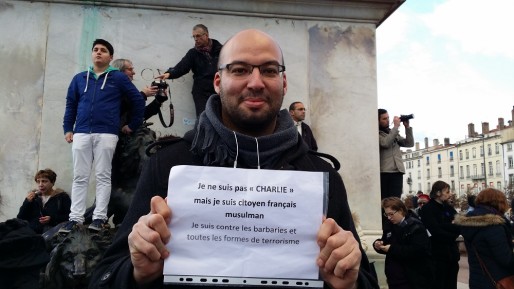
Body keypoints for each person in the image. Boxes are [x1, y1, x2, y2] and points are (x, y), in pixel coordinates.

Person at [90, 29, 378, 289]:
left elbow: (364, 280)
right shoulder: (167, 165)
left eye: (269, 70)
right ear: (217, 81)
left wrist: (351, 281)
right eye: (239, 70)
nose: (255, 83)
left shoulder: (322, 176)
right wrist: (136, 271)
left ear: (284, 81)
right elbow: (104, 276)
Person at [62, 39, 145, 232]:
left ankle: (99, 218)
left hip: (106, 133)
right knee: (80, 177)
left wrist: (131, 125)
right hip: (81, 132)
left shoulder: (118, 78)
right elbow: (70, 104)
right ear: (92, 54)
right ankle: (75, 218)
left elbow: (137, 101)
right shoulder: (79, 78)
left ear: (110, 57)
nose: (98, 53)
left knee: (103, 175)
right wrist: (68, 128)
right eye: (96, 50)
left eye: (103, 50)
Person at [157, 24, 223, 117]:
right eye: (194, 36)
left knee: (222, 118)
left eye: (198, 36)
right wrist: (169, 74)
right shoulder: (193, 53)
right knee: (203, 118)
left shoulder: (221, 50)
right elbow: (182, 67)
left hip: (220, 90)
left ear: (206, 35)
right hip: (202, 92)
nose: (196, 39)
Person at [454, 188, 514, 289]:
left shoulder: (471, 222)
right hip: (497, 281)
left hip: (478, 279)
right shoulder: (493, 225)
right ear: (498, 202)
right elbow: (506, 259)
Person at [373, 197, 434, 289]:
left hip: (411, 278)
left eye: (391, 214)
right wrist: (377, 245)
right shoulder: (389, 225)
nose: (389, 217)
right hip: (393, 276)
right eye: (386, 214)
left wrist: (392, 249)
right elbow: (386, 243)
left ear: (401, 210)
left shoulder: (416, 226)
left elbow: (418, 251)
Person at [419, 181, 460, 289]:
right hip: (437, 256)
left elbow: (459, 225)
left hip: (452, 255)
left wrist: (445, 226)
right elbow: (435, 231)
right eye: (447, 192)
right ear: (438, 193)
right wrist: (450, 226)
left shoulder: (449, 208)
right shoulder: (428, 209)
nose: (449, 194)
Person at [378, 108, 414, 229]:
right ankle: (386, 226)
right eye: (384, 118)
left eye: (388, 118)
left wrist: (407, 128)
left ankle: (395, 226)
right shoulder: (377, 133)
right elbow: (385, 143)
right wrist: (396, 127)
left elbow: (409, 144)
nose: (387, 120)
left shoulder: (392, 132)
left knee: (396, 202)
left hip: (397, 171)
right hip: (385, 172)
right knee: (385, 203)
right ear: (377, 120)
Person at [111, 58, 164, 127]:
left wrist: (158, 100)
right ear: (120, 72)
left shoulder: (128, 90)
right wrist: (142, 95)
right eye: (130, 69)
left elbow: (141, 115)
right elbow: (120, 108)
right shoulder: (111, 89)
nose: (134, 72)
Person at [16, 168, 71, 234]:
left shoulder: (62, 197)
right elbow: (20, 217)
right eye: (38, 181)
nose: (40, 185)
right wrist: (27, 202)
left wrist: (51, 219)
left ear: (52, 182)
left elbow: (69, 217)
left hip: (53, 235)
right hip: (33, 235)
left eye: (44, 181)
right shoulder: (33, 198)